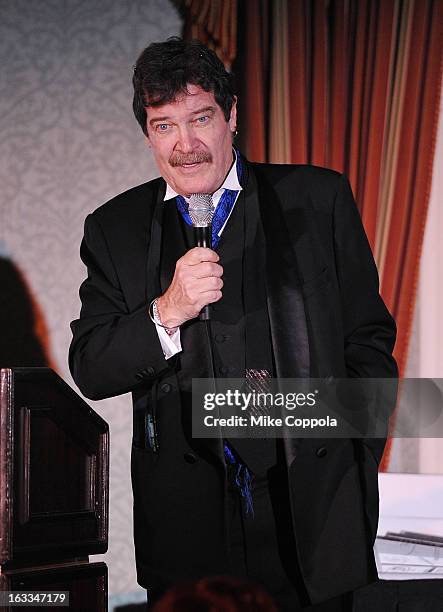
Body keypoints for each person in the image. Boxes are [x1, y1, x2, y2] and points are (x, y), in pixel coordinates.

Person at [69, 37, 398, 611]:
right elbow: (92, 368)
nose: (186, 145)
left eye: (201, 119)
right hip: (186, 524)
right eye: (165, 125)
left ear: (232, 117)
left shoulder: (317, 198)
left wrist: (353, 452)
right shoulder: (113, 228)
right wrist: (166, 311)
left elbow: (368, 341)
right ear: (147, 134)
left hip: (310, 508)